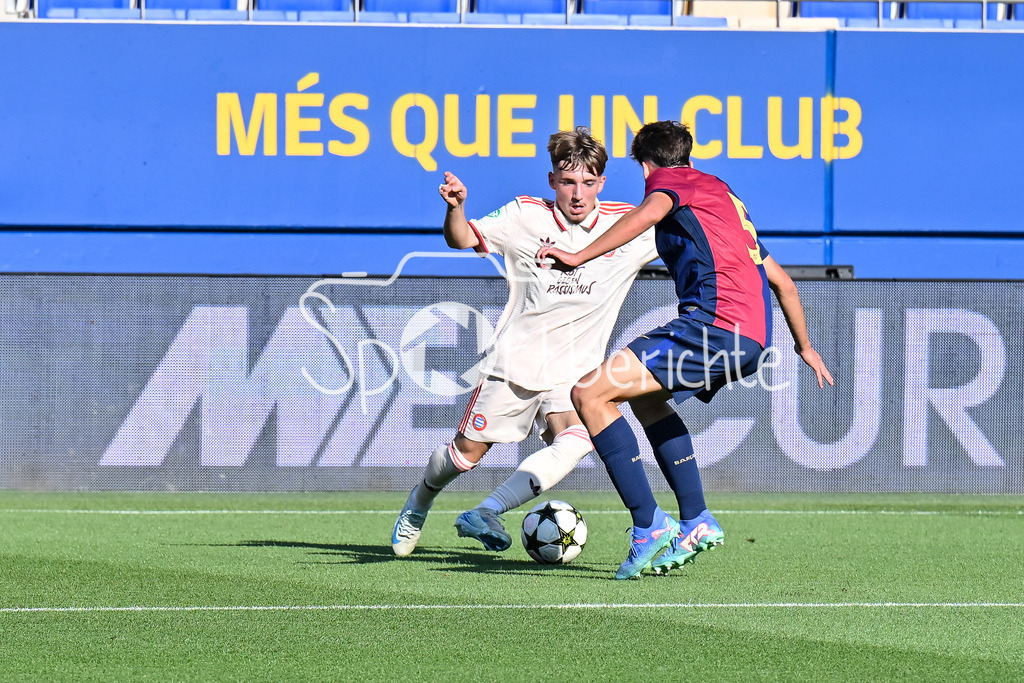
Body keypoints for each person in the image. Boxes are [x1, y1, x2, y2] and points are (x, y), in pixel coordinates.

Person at [537, 120, 834, 580]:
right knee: (647, 398)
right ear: (690, 156)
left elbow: (650, 212)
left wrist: (577, 256)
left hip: (715, 327)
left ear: (644, 164)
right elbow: (784, 283)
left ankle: (648, 525)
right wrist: (806, 347)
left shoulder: (668, 184)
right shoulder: (722, 196)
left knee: (589, 395)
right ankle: (695, 519)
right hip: (751, 339)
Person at [391, 126, 660, 557]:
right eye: (568, 181)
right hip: (515, 363)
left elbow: (690, 236)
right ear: (552, 180)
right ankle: (419, 502)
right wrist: (456, 209)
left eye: (588, 182)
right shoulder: (524, 215)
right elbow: (462, 239)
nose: (577, 193)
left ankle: (487, 510)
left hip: (575, 372)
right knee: (465, 455)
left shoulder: (627, 226)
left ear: (601, 184)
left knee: (575, 439)